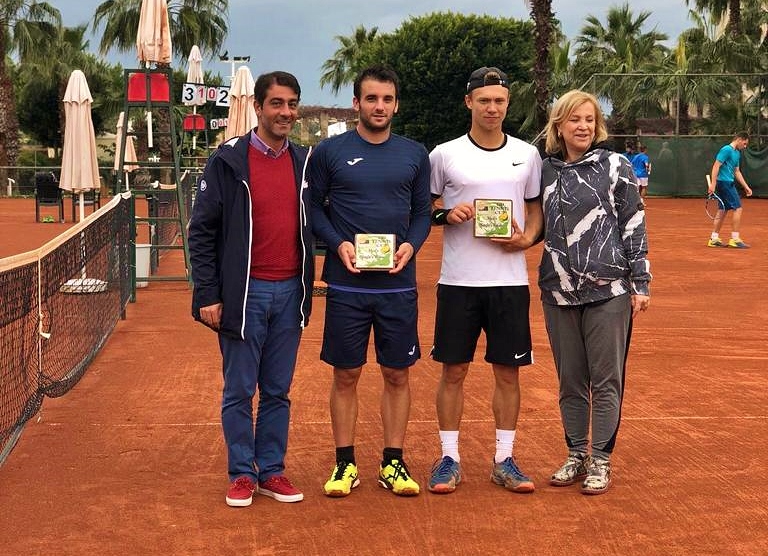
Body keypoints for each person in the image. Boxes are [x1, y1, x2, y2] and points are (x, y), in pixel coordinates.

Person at [188, 71, 314, 507]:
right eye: (277, 104)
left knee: (278, 390)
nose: (286, 112)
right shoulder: (228, 161)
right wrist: (208, 295)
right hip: (245, 294)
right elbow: (201, 232)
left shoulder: (304, 162)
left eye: (292, 104)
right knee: (240, 390)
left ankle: (272, 471)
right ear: (258, 107)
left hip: (290, 295)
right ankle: (242, 473)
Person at [308, 65, 431, 498]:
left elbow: (421, 214)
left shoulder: (415, 154)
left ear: (396, 104)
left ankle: (392, 463)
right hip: (347, 286)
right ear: (357, 103)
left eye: (387, 99)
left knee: (397, 374)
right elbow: (315, 210)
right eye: (372, 98)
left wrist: (411, 247)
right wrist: (337, 244)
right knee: (347, 373)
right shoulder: (329, 152)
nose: (380, 106)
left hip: (398, 286)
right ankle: (345, 464)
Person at [426, 66, 543, 495]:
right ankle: (449, 458)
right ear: (469, 102)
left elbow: (534, 210)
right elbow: (423, 207)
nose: (492, 107)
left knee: (508, 373)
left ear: (507, 105)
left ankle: (504, 459)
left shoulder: (527, 155)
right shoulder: (444, 154)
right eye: (484, 100)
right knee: (453, 371)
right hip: (458, 281)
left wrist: (527, 238)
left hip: (509, 281)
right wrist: (446, 214)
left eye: (500, 101)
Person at [539, 89, 651, 495]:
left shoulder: (615, 165)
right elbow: (533, 222)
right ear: (559, 126)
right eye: (574, 119)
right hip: (558, 291)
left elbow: (633, 224)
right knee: (570, 380)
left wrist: (641, 283)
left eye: (589, 119)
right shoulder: (545, 170)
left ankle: (601, 461)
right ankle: (576, 454)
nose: (583, 126)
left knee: (606, 381)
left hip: (610, 292)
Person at [707, 131, 753, 248]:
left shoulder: (737, 153)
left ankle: (714, 238)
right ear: (739, 139)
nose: (745, 146)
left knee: (723, 210)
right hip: (724, 183)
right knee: (738, 208)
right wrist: (713, 184)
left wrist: (746, 186)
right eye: (744, 143)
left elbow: (736, 171)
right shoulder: (726, 150)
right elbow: (716, 165)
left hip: (727, 182)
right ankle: (735, 239)